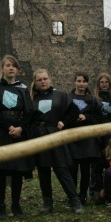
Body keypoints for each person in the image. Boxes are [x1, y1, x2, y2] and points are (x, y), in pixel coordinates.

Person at [0, 55, 34, 219]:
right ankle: (1, 206)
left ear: (17, 70)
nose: (10, 68)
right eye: (7, 65)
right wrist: (9, 127)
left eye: (13, 66)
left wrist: (20, 127)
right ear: (2, 68)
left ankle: (16, 205)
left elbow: (28, 113)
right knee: (0, 171)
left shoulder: (23, 89)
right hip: (0, 132)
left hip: (18, 133)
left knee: (17, 171)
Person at [29, 69, 83, 214]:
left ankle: (75, 201)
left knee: (61, 168)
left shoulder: (61, 95)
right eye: (39, 80)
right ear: (35, 82)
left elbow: (74, 111)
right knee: (43, 170)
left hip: (55, 135)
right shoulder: (31, 98)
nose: (43, 81)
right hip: (39, 136)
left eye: (45, 78)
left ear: (50, 79)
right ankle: (48, 203)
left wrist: (63, 122)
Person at [68, 72, 103, 205]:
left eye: (83, 81)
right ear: (74, 82)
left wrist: (86, 117)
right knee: (72, 170)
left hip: (88, 140)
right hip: (72, 139)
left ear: (87, 83)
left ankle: (82, 196)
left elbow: (98, 118)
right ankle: (72, 197)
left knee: (85, 171)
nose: (81, 84)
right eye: (78, 81)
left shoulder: (93, 100)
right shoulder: (68, 97)